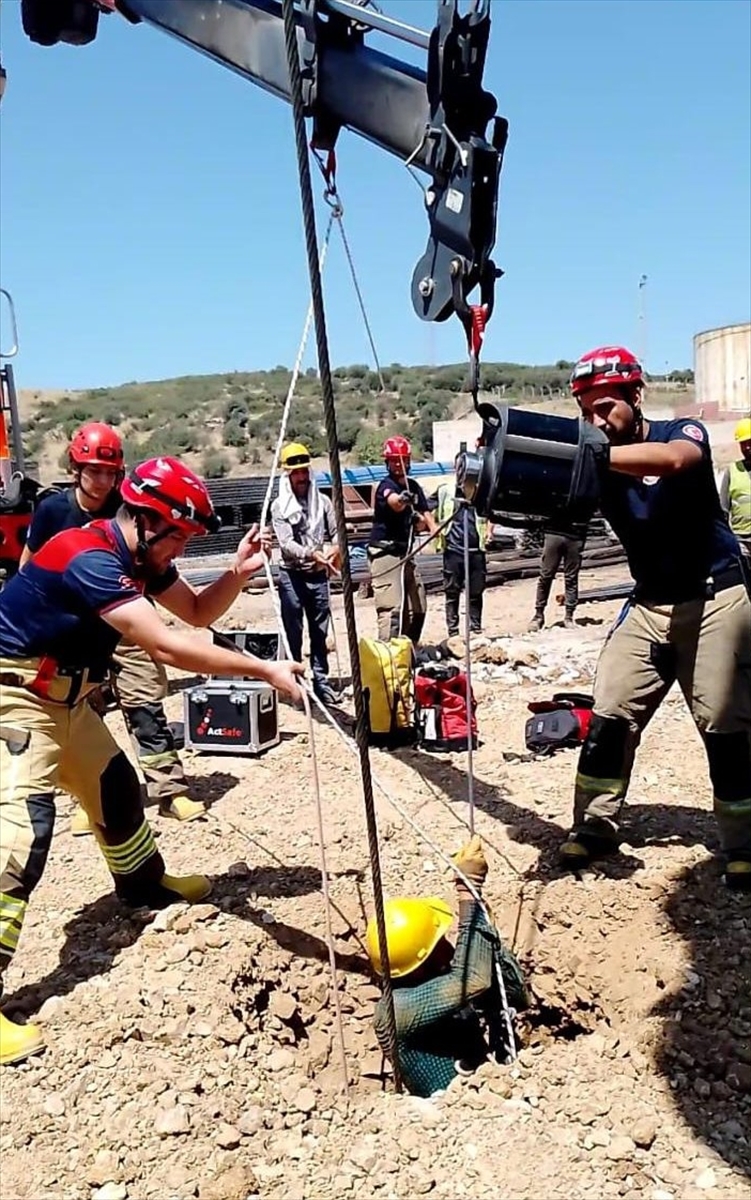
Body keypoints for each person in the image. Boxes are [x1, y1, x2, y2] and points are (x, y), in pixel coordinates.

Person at [0, 455, 304, 1065]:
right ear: (146, 519)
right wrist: (263, 669)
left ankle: (142, 885)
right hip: (17, 698)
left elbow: (197, 614)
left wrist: (236, 573)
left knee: (115, 787)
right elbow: (168, 646)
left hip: (65, 701)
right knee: (20, 835)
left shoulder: (141, 557)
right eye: (179, 537)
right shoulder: (90, 556)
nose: (181, 550)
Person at [558, 346, 751, 890]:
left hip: (714, 597)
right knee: (610, 712)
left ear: (636, 396)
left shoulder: (679, 433)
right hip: (650, 602)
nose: (597, 420)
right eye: (587, 412)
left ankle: (743, 844)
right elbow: (556, 506)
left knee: (724, 723)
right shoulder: (597, 461)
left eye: (606, 407)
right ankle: (594, 825)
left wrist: (594, 456)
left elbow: (674, 461)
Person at [20, 422, 204, 829]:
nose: (103, 481)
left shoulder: (130, 509)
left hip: (127, 621)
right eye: (94, 471)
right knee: (83, 710)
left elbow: (163, 576)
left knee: (145, 703)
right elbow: (29, 566)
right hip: (75, 631)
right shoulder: (53, 511)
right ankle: (90, 802)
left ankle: (169, 789)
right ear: (75, 468)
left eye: (110, 473)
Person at [366, 836, 527, 1097]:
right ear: (424, 958)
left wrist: (488, 941)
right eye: (439, 941)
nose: (448, 944)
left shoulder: (437, 981)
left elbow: (516, 995)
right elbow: (472, 978)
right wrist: (468, 891)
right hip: (451, 1110)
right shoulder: (395, 1011)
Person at [271, 442, 339, 707]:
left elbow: (337, 533)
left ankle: (321, 682)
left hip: (318, 575)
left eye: (304, 471)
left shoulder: (323, 503)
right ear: (288, 475)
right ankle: (295, 682)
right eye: (295, 472)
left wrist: (334, 551)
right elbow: (286, 543)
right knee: (294, 630)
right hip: (292, 575)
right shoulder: (280, 507)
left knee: (320, 630)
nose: (301, 477)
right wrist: (311, 553)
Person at [367, 436, 437, 644]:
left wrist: (431, 526)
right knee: (392, 609)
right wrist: (403, 499)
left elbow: (425, 514)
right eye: (394, 461)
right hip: (385, 554)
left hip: (405, 552)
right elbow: (394, 502)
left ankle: (408, 649)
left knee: (418, 606)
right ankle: (387, 653)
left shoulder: (414, 486)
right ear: (387, 462)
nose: (398, 464)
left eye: (402, 460)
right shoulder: (385, 486)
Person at [435, 454, 489, 638]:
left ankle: (475, 628)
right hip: (453, 549)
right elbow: (426, 508)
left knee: (476, 592)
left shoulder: (480, 491)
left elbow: (490, 512)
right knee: (452, 592)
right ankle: (453, 631)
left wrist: (490, 530)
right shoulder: (445, 490)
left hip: (476, 550)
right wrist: (432, 526)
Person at [528, 515, 588, 632]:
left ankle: (569, 616)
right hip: (554, 532)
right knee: (546, 575)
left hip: (575, 534)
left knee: (571, 577)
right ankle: (538, 615)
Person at [718, 417, 751, 560]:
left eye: (750, 442)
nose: (747, 447)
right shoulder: (732, 471)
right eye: (743, 444)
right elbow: (723, 509)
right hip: (741, 540)